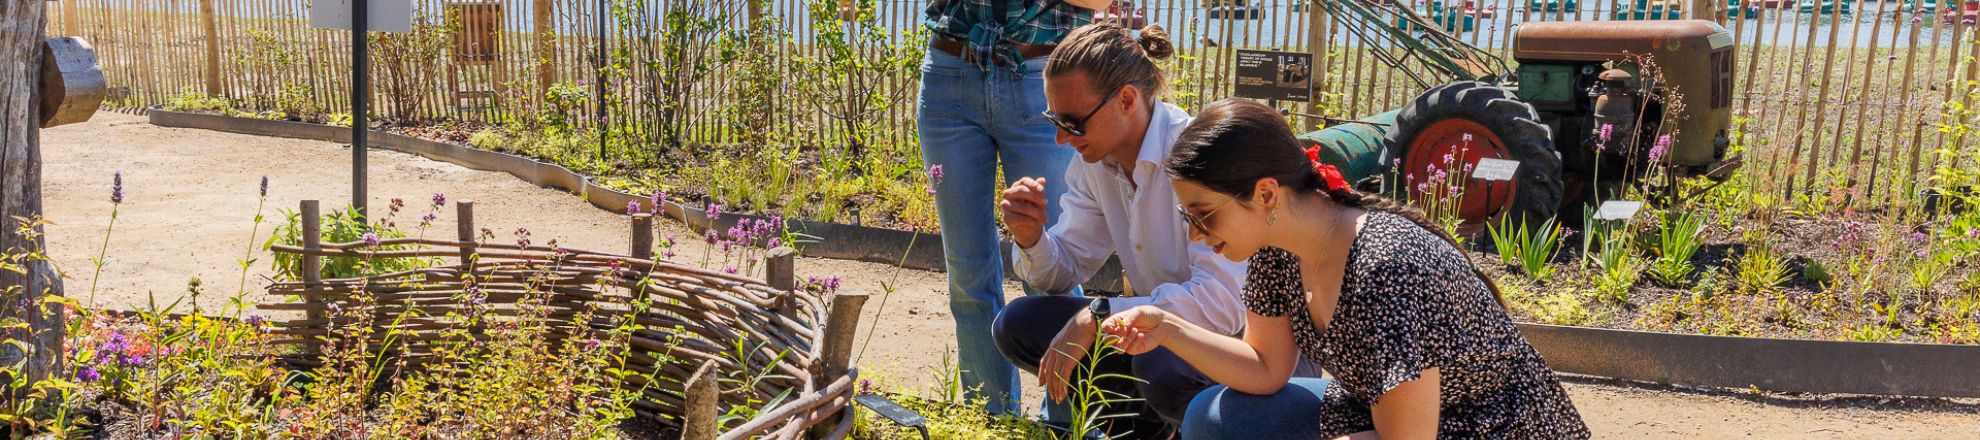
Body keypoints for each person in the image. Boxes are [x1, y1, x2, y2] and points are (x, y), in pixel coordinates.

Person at [1101, 98, 1590, 439]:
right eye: (1188, 216)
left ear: (1266, 193)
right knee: (1211, 418)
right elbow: (1267, 369)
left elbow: (1406, 439)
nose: (1193, 233)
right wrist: (1169, 328)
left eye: (1203, 214)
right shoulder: (1276, 250)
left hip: (1487, 428)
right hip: (1384, 417)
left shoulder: (1384, 267)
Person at [991, 22, 1275, 438]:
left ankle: (1199, 429)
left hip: (1242, 350)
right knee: (1018, 325)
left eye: (1073, 123)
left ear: (1126, 100)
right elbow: (1065, 271)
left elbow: (1221, 306)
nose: (1059, 138)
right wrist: (1030, 237)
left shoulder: (1196, 154)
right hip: (1159, 340)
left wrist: (1101, 315)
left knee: (1156, 361)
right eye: (1056, 120)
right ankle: (1140, 431)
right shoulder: (1096, 164)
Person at [918, 0, 1110, 415]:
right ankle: (991, 417)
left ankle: (1065, 423)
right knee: (967, 275)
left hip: (1045, 75)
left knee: (1054, 272)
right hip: (950, 73)